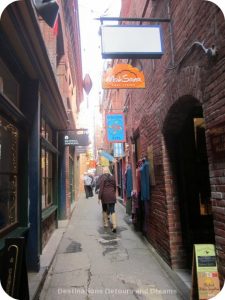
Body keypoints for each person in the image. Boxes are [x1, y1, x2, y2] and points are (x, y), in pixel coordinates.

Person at [98, 167, 117, 233]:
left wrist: (99, 197)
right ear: (108, 171)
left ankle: (106, 223)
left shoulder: (102, 178)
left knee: (104, 209)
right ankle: (114, 225)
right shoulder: (112, 177)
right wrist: (114, 193)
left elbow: (101, 188)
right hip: (112, 195)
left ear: (103, 171)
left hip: (104, 196)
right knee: (112, 210)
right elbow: (115, 186)